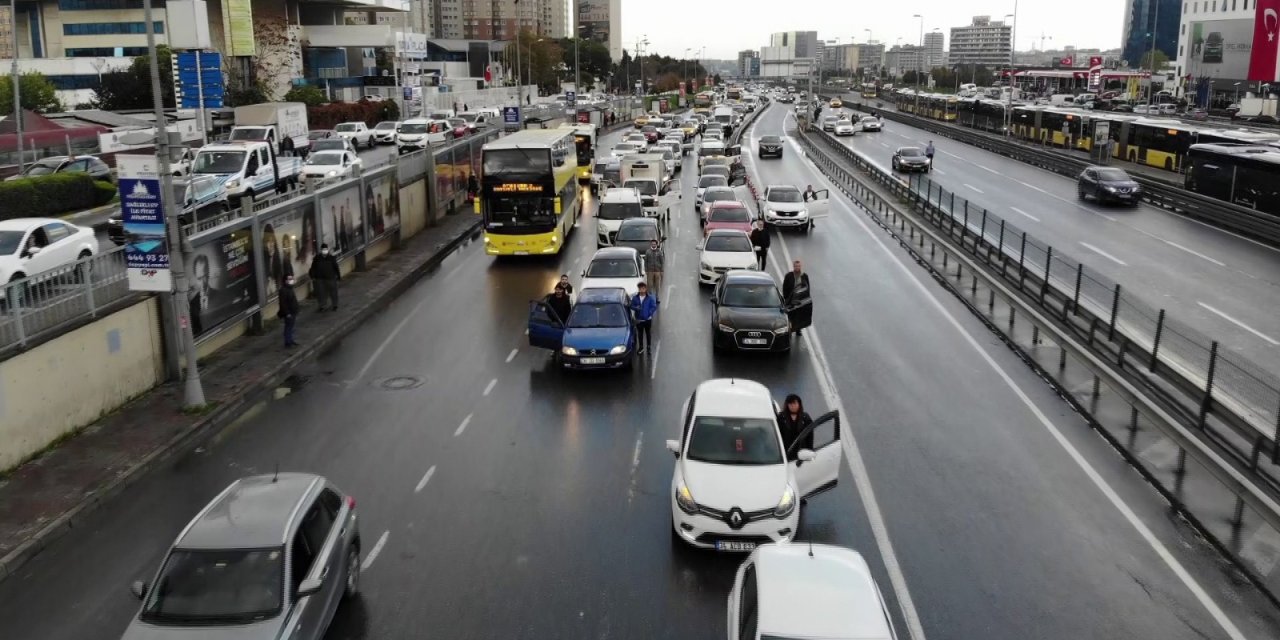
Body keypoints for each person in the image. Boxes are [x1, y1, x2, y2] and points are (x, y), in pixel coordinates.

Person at [776, 394, 814, 461]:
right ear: (787, 405)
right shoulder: (781, 418)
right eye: (790, 404)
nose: (793, 406)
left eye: (794, 403)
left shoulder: (805, 418)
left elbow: (810, 437)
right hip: (786, 453)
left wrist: (810, 451)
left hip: (802, 453)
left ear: (799, 404)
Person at [782, 260, 812, 337]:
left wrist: (806, 298)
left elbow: (807, 287)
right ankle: (791, 330)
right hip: (791, 299)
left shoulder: (804, 276)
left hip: (800, 300)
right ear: (793, 266)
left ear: (800, 266)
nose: (797, 267)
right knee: (791, 315)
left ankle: (798, 329)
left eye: (798, 266)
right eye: (796, 266)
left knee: (799, 315)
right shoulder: (788, 276)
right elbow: (784, 287)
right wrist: (786, 298)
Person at [309, 243, 342, 311]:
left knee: (333, 292)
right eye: (323, 249)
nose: (324, 251)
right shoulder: (317, 258)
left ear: (327, 250)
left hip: (330, 277)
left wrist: (338, 276)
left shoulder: (331, 258)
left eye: (325, 249)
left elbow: (336, 267)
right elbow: (313, 268)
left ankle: (334, 305)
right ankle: (322, 306)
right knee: (321, 293)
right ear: (321, 250)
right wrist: (312, 276)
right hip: (320, 278)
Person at [630, 281, 659, 354]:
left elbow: (654, 306)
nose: (641, 290)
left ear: (645, 289)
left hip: (647, 320)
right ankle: (641, 347)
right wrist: (636, 308)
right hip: (639, 320)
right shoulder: (635, 298)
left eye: (643, 288)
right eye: (640, 288)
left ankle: (648, 347)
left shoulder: (650, 297)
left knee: (648, 333)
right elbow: (631, 306)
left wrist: (649, 313)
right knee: (640, 334)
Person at [279, 275, 300, 348]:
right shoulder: (284, 290)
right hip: (289, 312)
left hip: (293, 311)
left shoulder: (290, 288)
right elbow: (283, 303)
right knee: (288, 327)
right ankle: (287, 342)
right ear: (285, 281)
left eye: (292, 279)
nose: (292, 280)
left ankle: (290, 340)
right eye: (290, 279)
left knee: (291, 327)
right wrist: (287, 313)